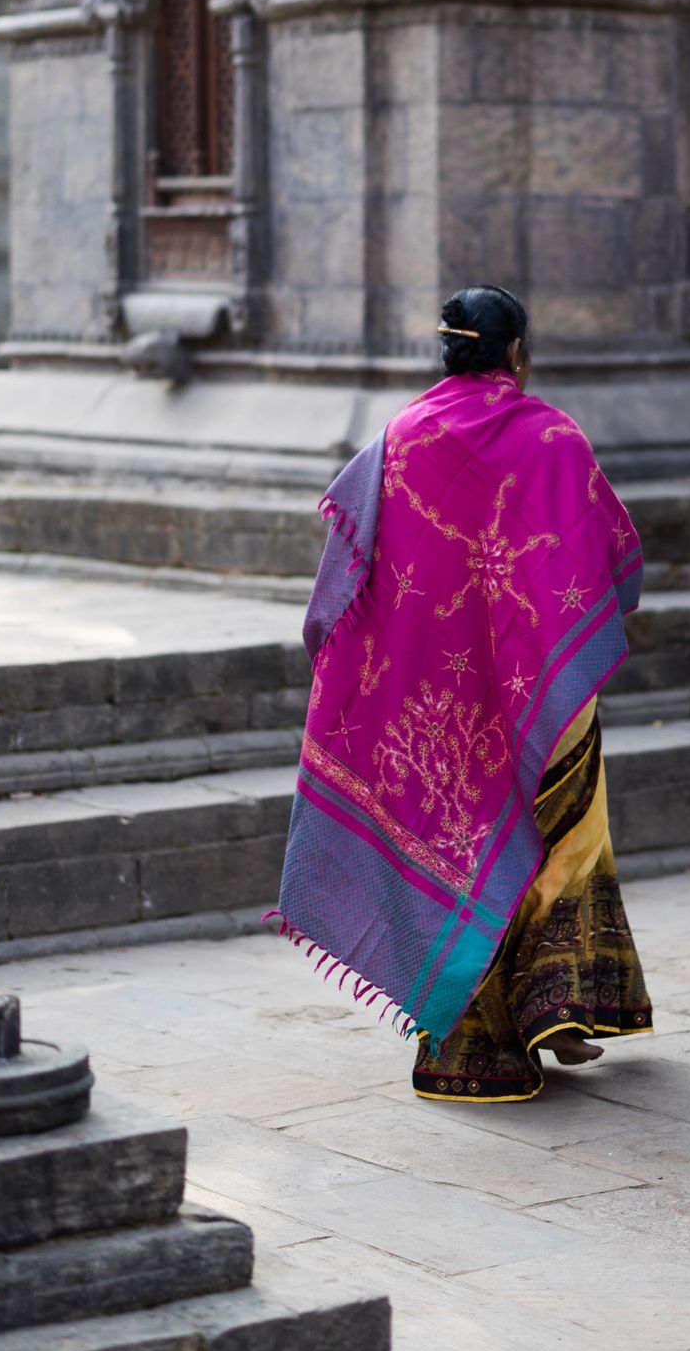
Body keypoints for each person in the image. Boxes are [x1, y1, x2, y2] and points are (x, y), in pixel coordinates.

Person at [275, 284, 652, 1102]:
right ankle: (561, 1009)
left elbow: (337, 592)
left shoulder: (397, 439)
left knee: (459, 841)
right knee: (566, 832)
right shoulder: (553, 437)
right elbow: (611, 558)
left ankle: (470, 1038)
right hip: (538, 691)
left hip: (431, 706)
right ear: (515, 350)